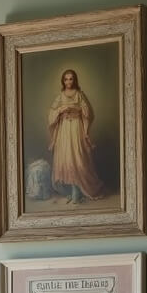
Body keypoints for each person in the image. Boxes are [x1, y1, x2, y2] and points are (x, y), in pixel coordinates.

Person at [47, 69, 104, 204]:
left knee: (77, 157)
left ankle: (77, 192)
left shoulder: (79, 94)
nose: (68, 82)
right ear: (63, 81)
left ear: (75, 80)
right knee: (66, 158)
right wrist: (61, 110)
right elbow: (52, 112)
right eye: (66, 79)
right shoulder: (60, 96)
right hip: (64, 129)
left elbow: (88, 112)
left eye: (71, 79)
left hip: (76, 128)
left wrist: (77, 109)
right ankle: (71, 192)